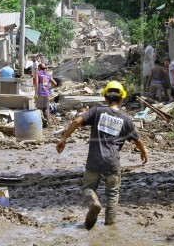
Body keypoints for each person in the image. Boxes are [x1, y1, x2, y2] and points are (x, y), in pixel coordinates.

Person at [56, 81, 148, 229]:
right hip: (112, 163)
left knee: (88, 187)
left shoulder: (96, 111)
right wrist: (143, 153)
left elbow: (77, 120)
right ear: (122, 98)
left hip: (94, 161)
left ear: (106, 97)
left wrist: (64, 138)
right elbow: (138, 140)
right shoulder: (126, 120)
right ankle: (110, 227)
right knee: (112, 195)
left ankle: (93, 202)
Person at [35, 63, 57, 127]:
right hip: (47, 94)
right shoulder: (48, 75)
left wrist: (36, 93)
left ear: (39, 68)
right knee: (45, 108)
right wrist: (48, 88)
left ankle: (39, 123)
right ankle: (46, 122)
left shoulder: (38, 74)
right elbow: (55, 83)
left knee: (39, 108)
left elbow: (36, 83)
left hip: (40, 93)